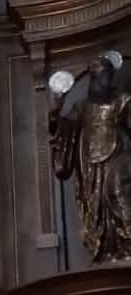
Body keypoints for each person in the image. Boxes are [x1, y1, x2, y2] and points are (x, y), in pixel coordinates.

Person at [50, 52, 131, 262]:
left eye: (98, 68)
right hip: (89, 164)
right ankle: (105, 251)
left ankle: (127, 244)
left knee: (118, 194)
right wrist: (56, 111)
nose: (94, 74)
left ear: (108, 74)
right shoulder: (81, 107)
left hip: (118, 156)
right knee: (95, 205)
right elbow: (64, 131)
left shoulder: (122, 101)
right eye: (92, 70)